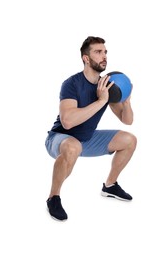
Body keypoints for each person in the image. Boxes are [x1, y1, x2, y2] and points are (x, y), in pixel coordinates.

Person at [45, 36, 137, 221]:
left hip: (87, 139)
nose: (104, 56)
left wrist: (126, 102)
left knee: (129, 140)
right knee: (73, 147)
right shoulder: (72, 83)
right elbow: (68, 122)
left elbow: (127, 121)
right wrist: (101, 100)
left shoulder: (107, 86)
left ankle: (110, 186)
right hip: (61, 138)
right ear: (86, 58)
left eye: (105, 52)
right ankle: (53, 197)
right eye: (98, 52)